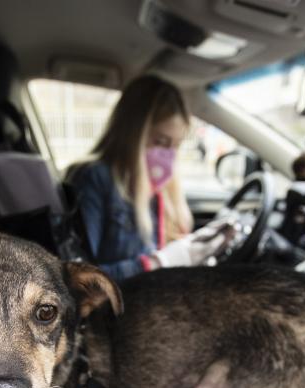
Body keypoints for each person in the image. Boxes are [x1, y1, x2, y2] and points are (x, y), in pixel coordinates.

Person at [67, 75, 229, 282]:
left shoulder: (162, 187)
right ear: (133, 134)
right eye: (161, 142)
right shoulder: (94, 178)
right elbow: (78, 280)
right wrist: (158, 263)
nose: (168, 155)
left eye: (175, 145)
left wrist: (197, 245)